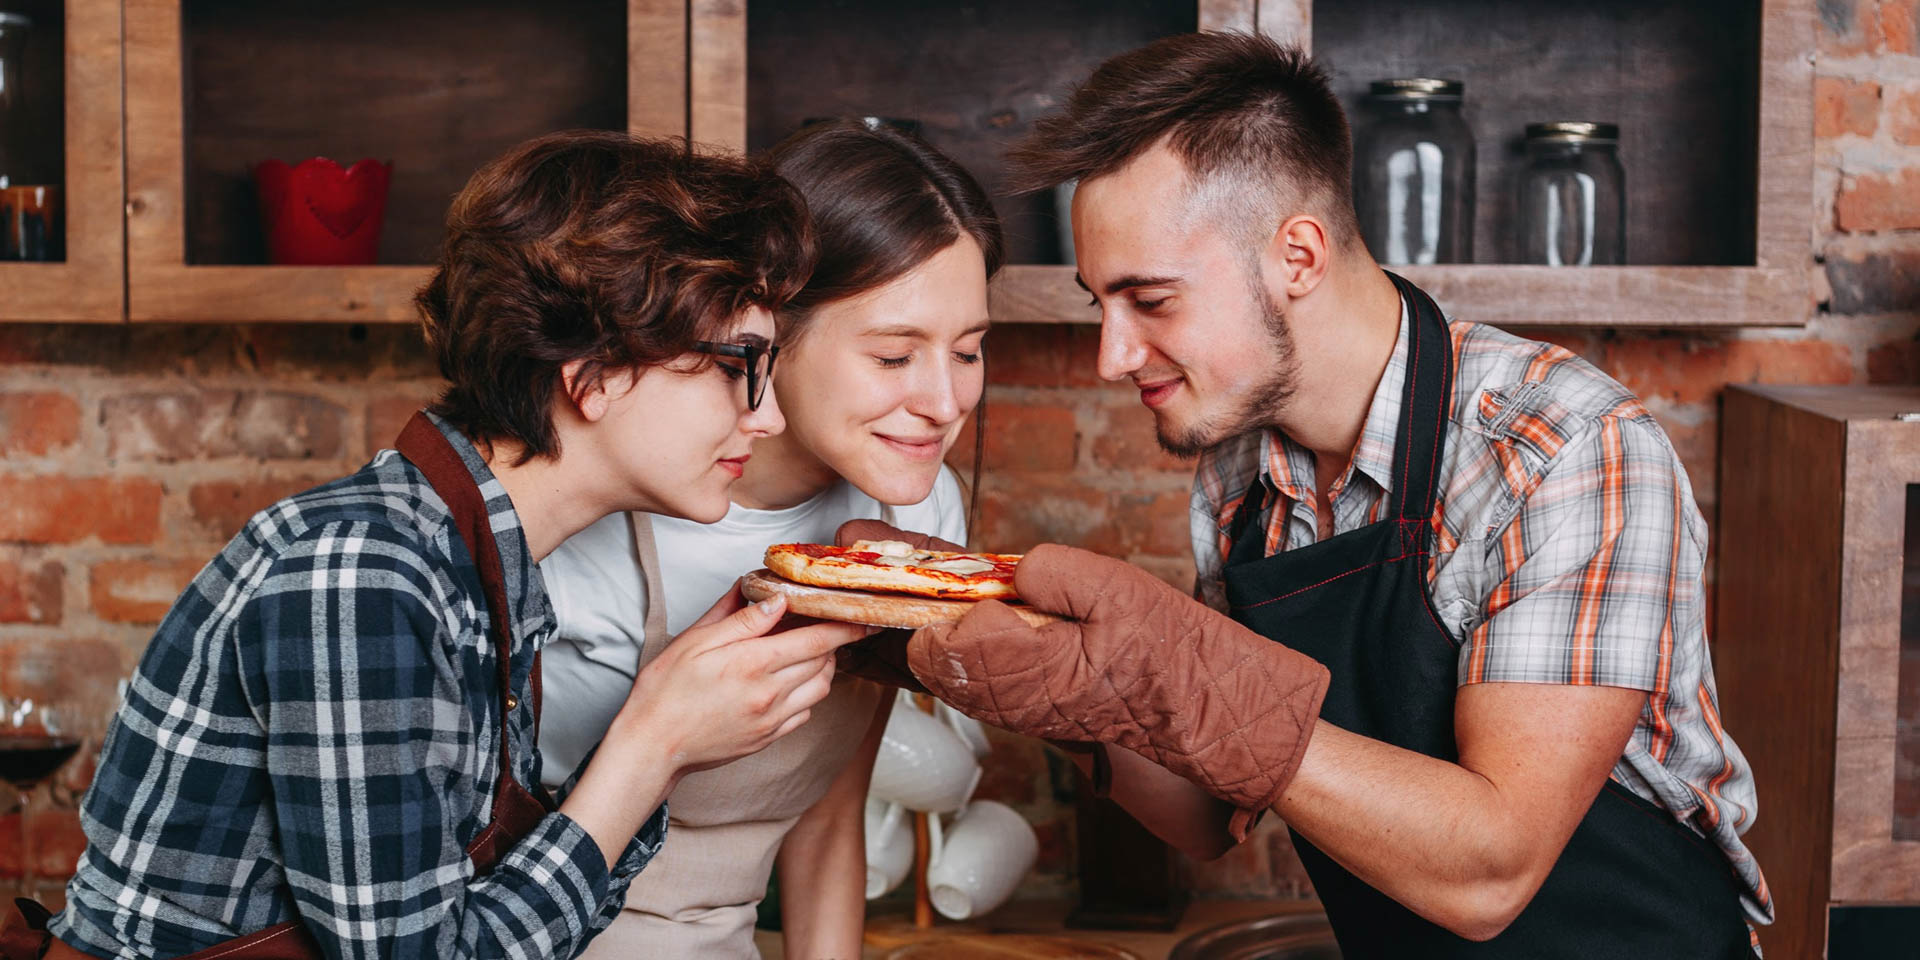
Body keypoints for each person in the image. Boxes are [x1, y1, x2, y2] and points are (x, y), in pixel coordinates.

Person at [876, 33, 1770, 958]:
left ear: (1296, 256)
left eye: (1151, 300)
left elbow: (1491, 872)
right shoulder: (1241, 475)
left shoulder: (1562, 449)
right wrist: (1062, 690)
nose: (1113, 355)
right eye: (1100, 303)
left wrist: (1183, 674)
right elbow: (1203, 812)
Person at [25, 131, 868, 960]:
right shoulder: (363, 574)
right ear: (594, 373)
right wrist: (655, 743)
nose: (769, 416)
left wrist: (672, 713)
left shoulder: (471, 568)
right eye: (738, 366)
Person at [537, 118, 1002, 959]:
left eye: (968, 350)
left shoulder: (916, 517)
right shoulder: (598, 519)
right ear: (768, 332)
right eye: (895, 357)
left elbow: (830, 816)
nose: (944, 401)